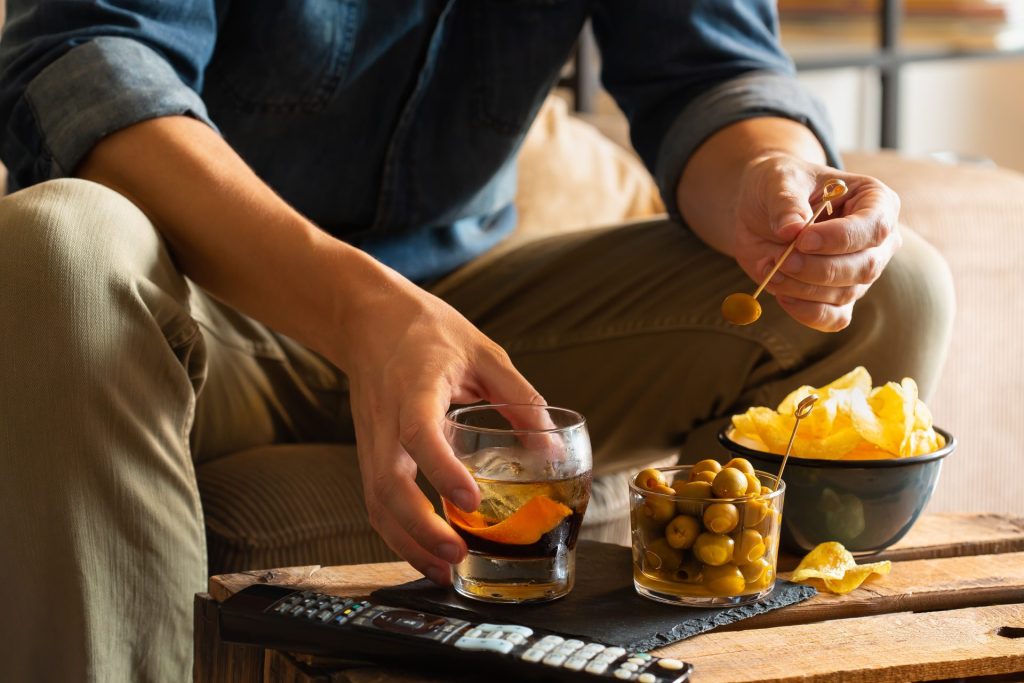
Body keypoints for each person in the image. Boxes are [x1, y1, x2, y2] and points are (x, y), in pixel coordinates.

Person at [0, 1, 954, 680]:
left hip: (470, 321)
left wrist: (771, 178)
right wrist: (363, 310)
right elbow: (83, 57)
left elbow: (713, 69)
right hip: (196, 310)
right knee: (56, 244)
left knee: (892, 286)